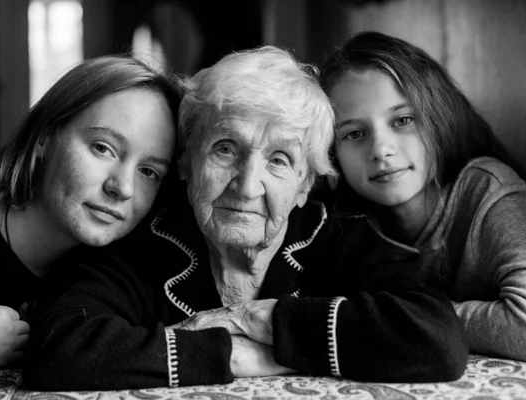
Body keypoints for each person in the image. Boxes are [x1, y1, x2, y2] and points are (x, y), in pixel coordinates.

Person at [23, 45, 467, 391]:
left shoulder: (337, 235)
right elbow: (58, 348)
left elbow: (437, 338)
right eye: (225, 149)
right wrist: (234, 357)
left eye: (278, 160)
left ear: (304, 185)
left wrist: (263, 322)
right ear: (185, 162)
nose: (247, 184)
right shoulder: (144, 237)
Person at [0, 55, 182, 387]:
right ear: (46, 135)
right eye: (103, 148)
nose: (122, 188)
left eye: (148, 171)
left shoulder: (140, 268)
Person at [318, 31, 526, 361]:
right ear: (331, 152)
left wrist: (407, 320)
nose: (381, 150)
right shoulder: (337, 221)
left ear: (436, 118)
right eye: (354, 133)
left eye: (402, 120)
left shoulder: (487, 192)